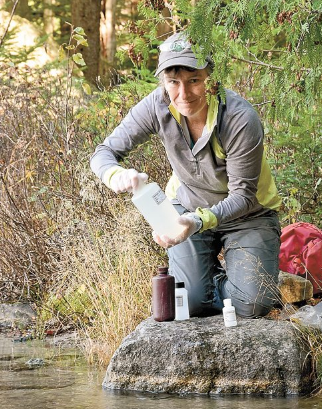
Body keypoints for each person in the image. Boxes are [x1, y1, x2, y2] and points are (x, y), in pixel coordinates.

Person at [90, 32, 282, 318]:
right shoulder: (156, 105)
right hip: (186, 206)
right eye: (173, 82)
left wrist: (196, 222)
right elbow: (103, 153)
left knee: (253, 306)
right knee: (189, 303)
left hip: (249, 214)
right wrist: (114, 174)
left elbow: (242, 196)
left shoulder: (240, 118)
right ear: (164, 82)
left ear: (211, 79)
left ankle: (251, 284)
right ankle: (219, 282)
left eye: (194, 80)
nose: (183, 94)